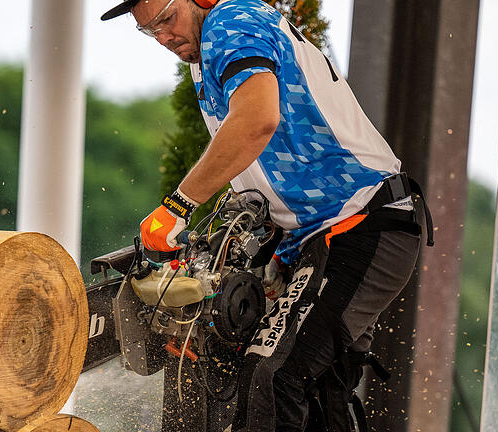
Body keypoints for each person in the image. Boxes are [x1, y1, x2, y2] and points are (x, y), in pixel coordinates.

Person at [101, 0, 433, 431]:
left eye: (167, 19)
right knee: (315, 392)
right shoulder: (209, 51)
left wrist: (178, 207)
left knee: (275, 375)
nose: (164, 38)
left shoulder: (229, 22)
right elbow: (259, 166)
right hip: (320, 237)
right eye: (151, 31)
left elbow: (257, 120)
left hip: (361, 222)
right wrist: (258, 252)